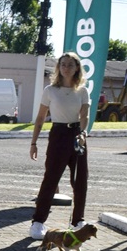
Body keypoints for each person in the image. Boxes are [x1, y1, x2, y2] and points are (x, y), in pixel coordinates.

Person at [28, 51, 90, 241]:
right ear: (58, 67)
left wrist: (83, 132)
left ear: (77, 68)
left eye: (70, 65)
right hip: (58, 134)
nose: (66, 68)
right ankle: (38, 222)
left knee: (80, 180)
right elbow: (40, 118)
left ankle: (78, 221)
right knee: (51, 179)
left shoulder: (82, 91)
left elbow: (84, 115)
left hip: (77, 136)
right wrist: (33, 142)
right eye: (63, 64)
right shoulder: (50, 90)